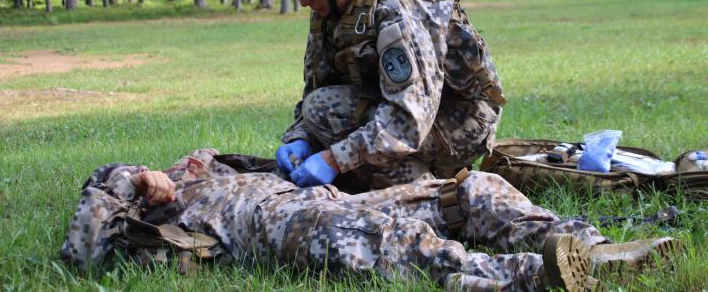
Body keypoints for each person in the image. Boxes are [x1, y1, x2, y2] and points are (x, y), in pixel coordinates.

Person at [62, 149, 679, 291]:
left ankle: (596, 249)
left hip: (320, 198)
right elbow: (83, 253)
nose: (179, 168)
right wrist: (130, 179)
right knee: (384, 241)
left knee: (466, 191)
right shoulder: (137, 203)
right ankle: (532, 275)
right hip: (268, 226)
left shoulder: (208, 165)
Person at [272, 0, 505, 190]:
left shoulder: (399, 6)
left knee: (327, 117)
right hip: (401, 109)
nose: (303, 1)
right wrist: (301, 138)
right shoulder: (331, 9)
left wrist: (335, 160)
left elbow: (410, 117)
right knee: (319, 107)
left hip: (460, 122)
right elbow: (319, 86)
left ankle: (430, 190)